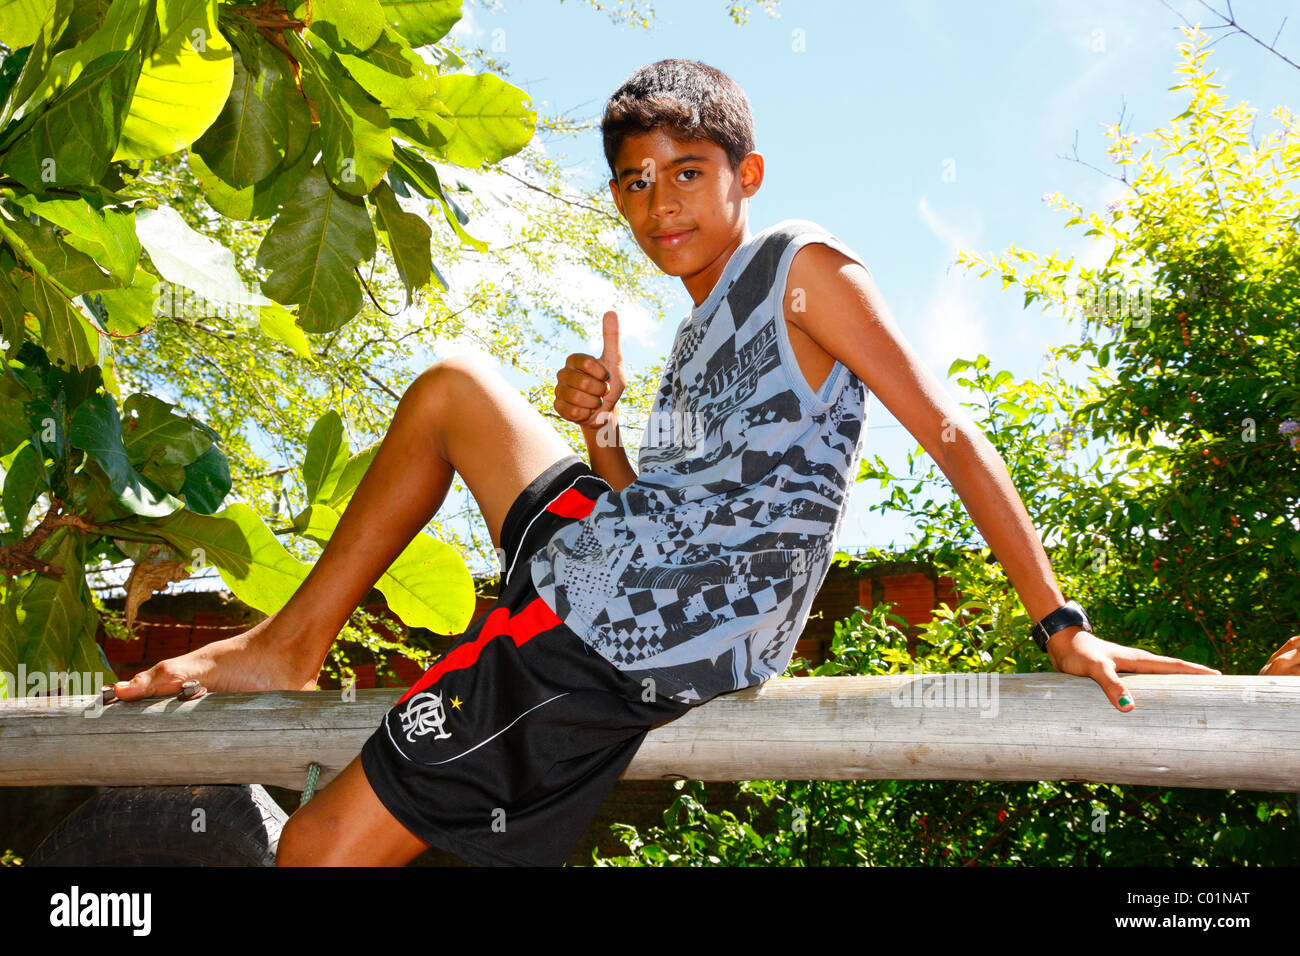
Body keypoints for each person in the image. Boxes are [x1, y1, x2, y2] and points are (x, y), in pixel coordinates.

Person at [111, 58, 1221, 866]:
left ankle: (315, 653)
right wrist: (600, 438)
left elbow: (949, 433)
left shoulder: (801, 265)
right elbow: (665, 506)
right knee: (454, 388)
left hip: (636, 630)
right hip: (636, 565)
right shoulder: (692, 338)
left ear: (747, 174)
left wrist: (1059, 622)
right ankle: (293, 643)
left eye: (688, 172)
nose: (662, 203)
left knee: (313, 853)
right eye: (637, 183)